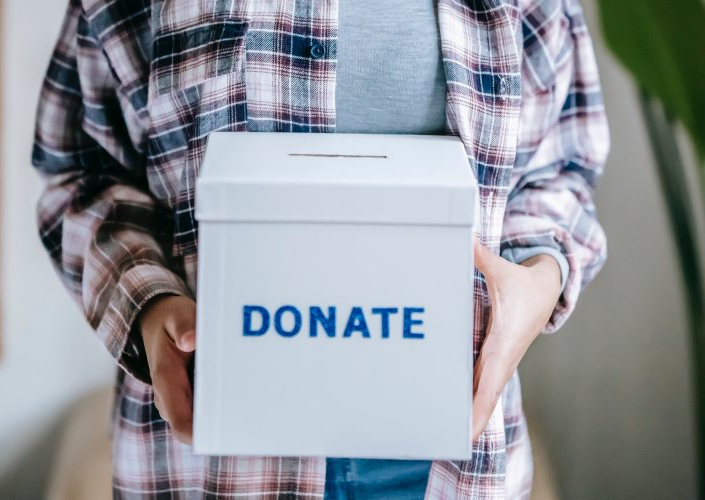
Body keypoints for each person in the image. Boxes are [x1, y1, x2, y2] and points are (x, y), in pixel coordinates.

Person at [32, 0, 609, 498]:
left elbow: (560, 168)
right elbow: (81, 173)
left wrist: (538, 277)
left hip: (445, 463)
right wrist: (147, 301)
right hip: (214, 464)